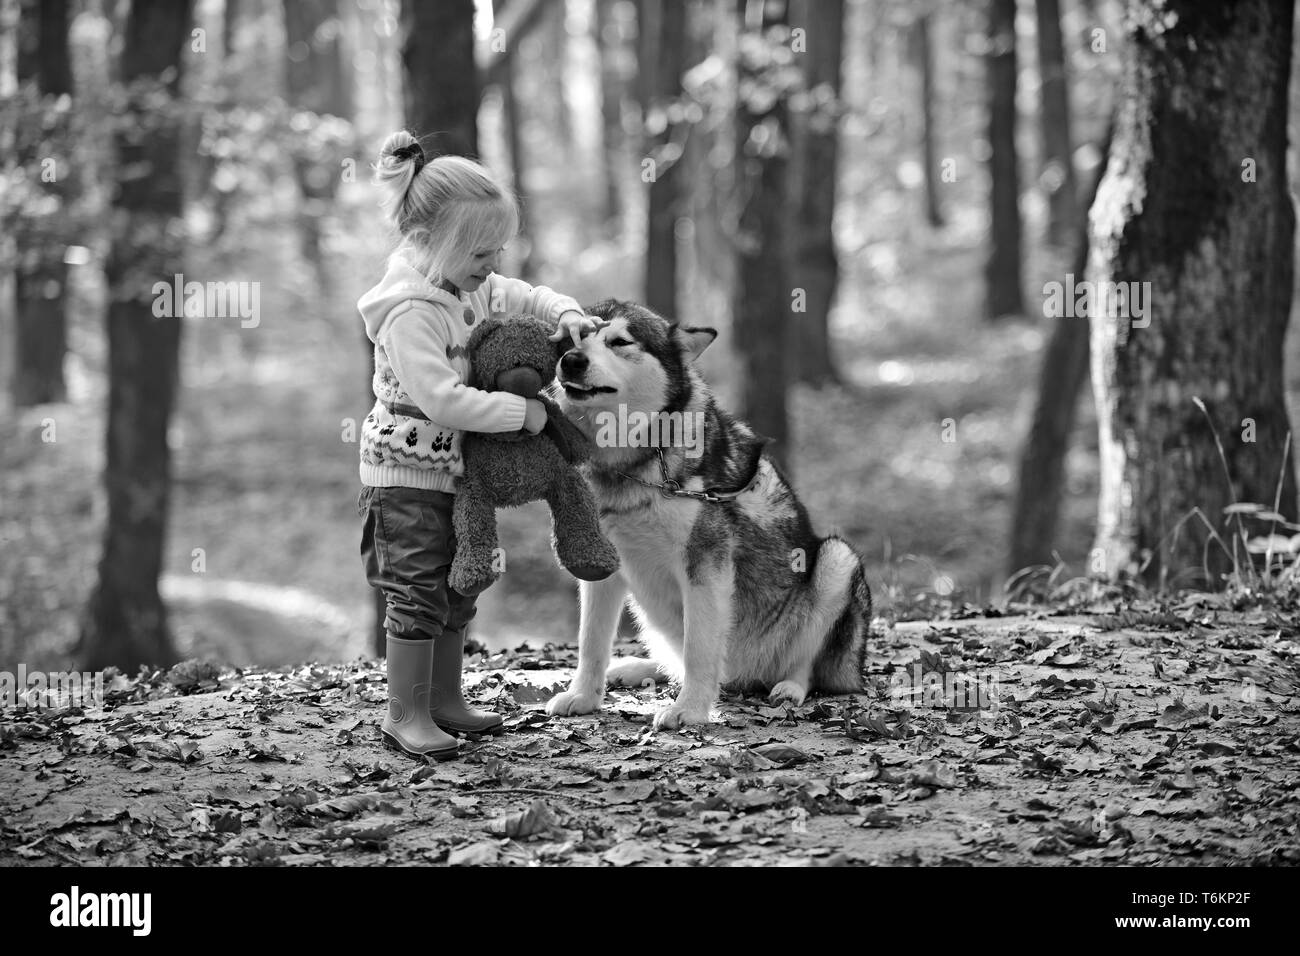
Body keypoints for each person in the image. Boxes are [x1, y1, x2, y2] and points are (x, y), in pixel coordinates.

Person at [356, 130, 597, 760]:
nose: (493, 263)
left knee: (460, 581)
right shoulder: (412, 311)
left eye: (497, 250)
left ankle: (444, 699)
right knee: (416, 585)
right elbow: (442, 400)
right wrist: (524, 415)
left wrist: (566, 312)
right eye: (481, 250)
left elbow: (531, 297)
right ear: (429, 240)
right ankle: (405, 712)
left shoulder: (472, 283)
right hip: (404, 473)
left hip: (456, 470)